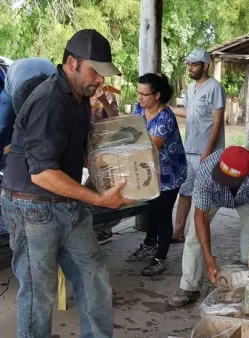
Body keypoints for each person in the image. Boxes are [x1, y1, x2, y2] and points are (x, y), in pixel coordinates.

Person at [0, 29, 134, 338]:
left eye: (103, 73)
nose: (99, 80)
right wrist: (98, 197)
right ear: (71, 63)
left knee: (94, 276)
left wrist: (102, 174)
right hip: (32, 207)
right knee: (39, 286)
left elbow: (78, 148)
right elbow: (43, 173)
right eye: (94, 71)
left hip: (66, 204)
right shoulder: (50, 100)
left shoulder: (77, 97)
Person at [169, 146, 249, 307]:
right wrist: (208, 256)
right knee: (194, 237)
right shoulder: (207, 171)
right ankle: (189, 287)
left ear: (246, 175)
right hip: (214, 197)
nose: (224, 182)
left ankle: (247, 281)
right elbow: (201, 215)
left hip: (246, 199)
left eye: (229, 180)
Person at [125, 74, 187, 276]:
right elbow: (129, 126)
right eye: (139, 93)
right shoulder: (140, 108)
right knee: (150, 210)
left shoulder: (165, 119)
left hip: (169, 174)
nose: (140, 98)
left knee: (162, 214)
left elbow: (149, 148)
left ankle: (161, 257)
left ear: (157, 95)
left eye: (145, 94)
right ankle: (149, 243)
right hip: (150, 171)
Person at [0, 58, 57, 187]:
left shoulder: (55, 90)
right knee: (0, 129)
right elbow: (22, 126)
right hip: (14, 82)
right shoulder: (18, 94)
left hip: (40, 76)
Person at [171, 48, 226, 242]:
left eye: (194, 65)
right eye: (189, 65)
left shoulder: (214, 88)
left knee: (203, 196)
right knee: (185, 192)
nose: (190, 68)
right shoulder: (191, 89)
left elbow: (218, 120)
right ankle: (177, 232)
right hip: (189, 150)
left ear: (205, 66)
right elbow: (189, 112)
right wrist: (165, 109)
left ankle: (197, 236)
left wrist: (209, 151)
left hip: (207, 153)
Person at [90, 84, 121, 245]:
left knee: (102, 184)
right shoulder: (79, 92)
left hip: (102, 145)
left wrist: (104, 101)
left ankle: (105, 228)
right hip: (85, 144)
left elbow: (115, 119)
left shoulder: (107, 94)